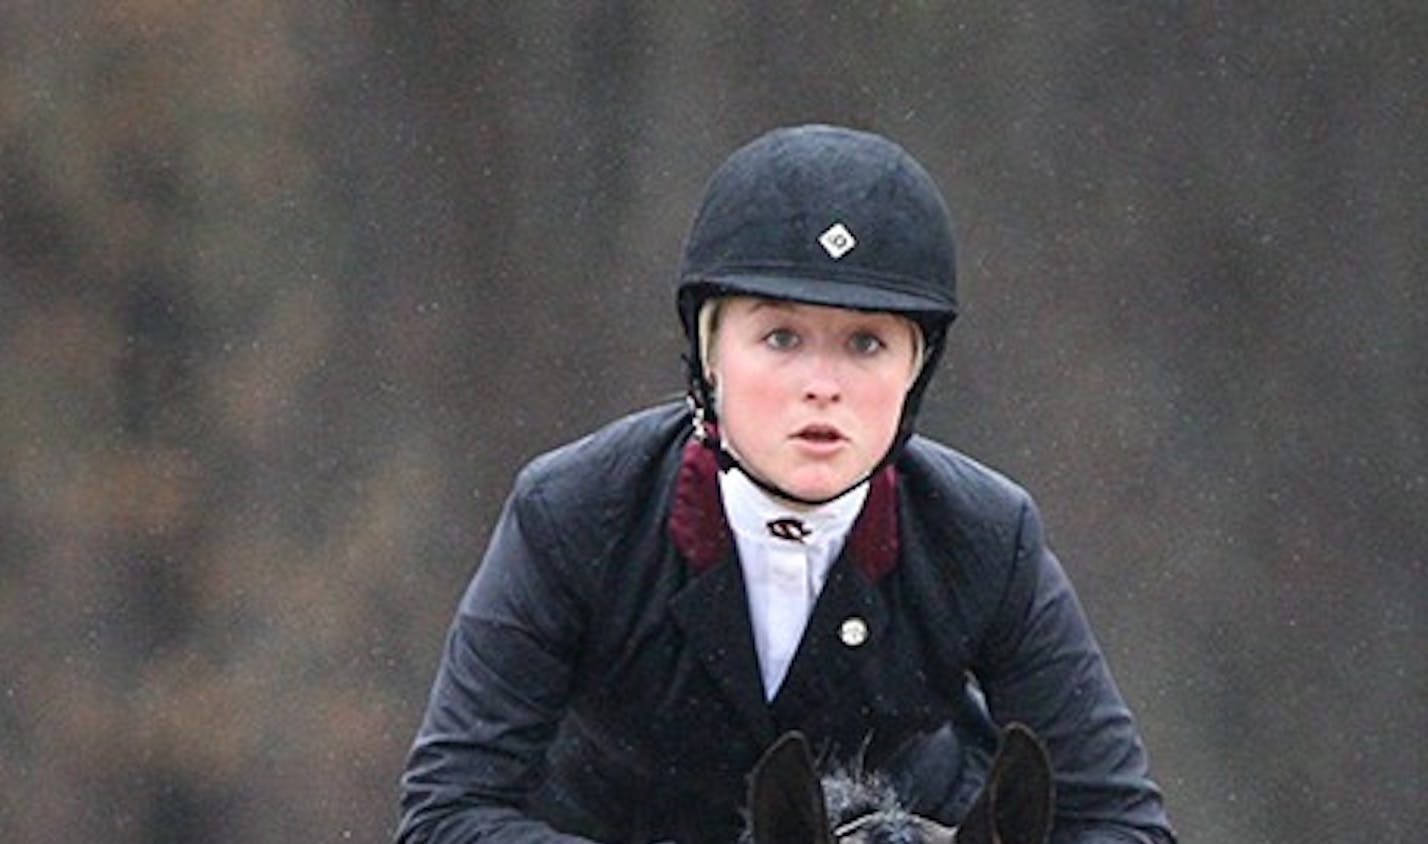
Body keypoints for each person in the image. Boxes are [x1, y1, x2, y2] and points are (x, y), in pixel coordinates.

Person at [396, 124, 1176, 844]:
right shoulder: (575, 512)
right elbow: (446, 812)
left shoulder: (985, 534)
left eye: (866, 343)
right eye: (780, 337)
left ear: (916, 370)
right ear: (709, 356)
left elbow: (1121, 822)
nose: (822, 387)